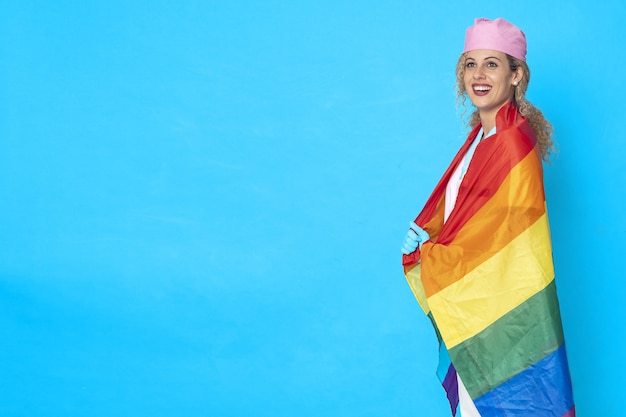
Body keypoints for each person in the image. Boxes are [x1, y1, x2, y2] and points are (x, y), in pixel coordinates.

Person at [401, 18, 575, 417]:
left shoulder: (513, 144)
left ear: (516, 75)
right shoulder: (480, 139)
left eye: (492, 64)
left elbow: (504, 243)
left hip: (501, 311)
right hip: (473, 310)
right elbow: (466, 217)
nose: (478, 75)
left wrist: (432, 255)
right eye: (470, 64)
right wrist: (429, 231)